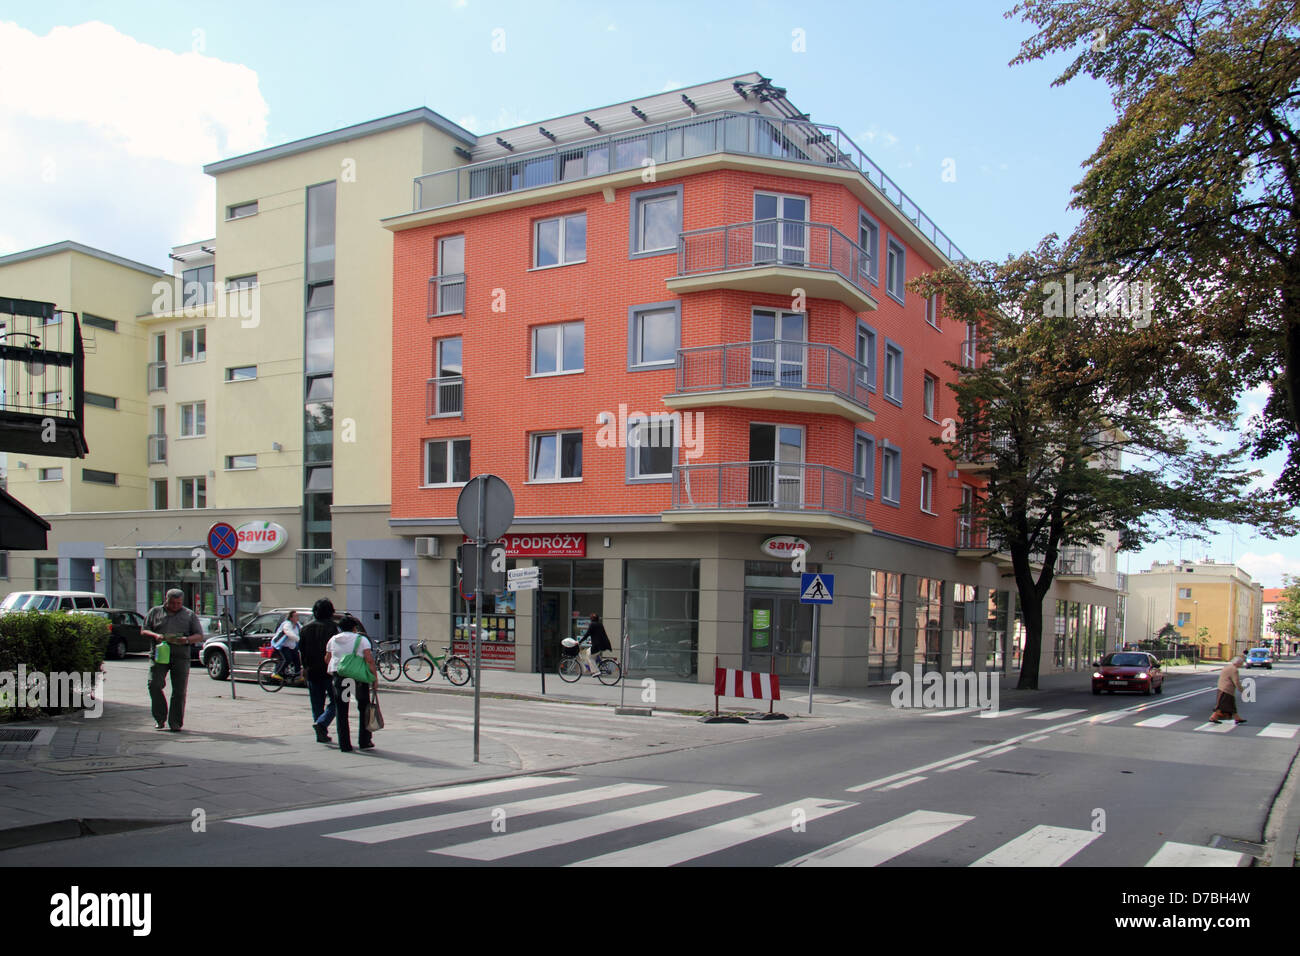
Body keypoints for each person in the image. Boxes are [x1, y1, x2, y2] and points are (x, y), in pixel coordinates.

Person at [142, 588, 204, 731]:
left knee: (179, 691)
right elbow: (144, 630)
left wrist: (187, 640)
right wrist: (155, 636)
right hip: (159, 654)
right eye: (173, 603)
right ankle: (160, 717)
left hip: (181, 655)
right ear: (166, 600)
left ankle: (175, 722)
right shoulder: (155, 612)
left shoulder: (189, 614)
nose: (176, 605)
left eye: (179, 603)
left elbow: (199, 635)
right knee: (154, 684)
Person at [323, 614, 377, 752]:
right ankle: (364, 741)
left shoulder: (333, 640)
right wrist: (374, 678)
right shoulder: (361, 640)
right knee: (363, 707)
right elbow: (369, 659)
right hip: (358, 677)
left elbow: (327, 659)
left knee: (342, 710)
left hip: (340, 677)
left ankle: (344, 744)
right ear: (354, 627)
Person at [298, 599, 338, 743]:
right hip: (330, 670)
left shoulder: (305, 628)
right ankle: (322, 723)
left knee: (316, 703)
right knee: (337, 701)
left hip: (312, 670)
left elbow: (301, 651)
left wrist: (304, 667)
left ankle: (320, 729)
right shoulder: (334, 628)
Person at [1209, 655, 1248, 725]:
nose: (1242, 665)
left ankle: (1237, 718)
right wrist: (1242, 690)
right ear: (1237, 663)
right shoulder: (1234, 670)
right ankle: (1213, 717)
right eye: (1241, 663)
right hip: (1227, 690)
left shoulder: (1227, 667)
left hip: (1221, 688)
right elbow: (1236, 681)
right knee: (1222, 705)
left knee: (1230, 705)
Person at [271, 610, 302, 679]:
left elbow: (303, 631)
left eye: (298, 616)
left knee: (297, 658)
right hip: (282, 645)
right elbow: (289, 633)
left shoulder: (297, 625)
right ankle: (277, 672)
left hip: (291, 646)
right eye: (295, 616)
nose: (297, 617)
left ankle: (297, 674)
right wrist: (299, 640)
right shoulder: (287, 624)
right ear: (291, 618)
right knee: (287, 659)